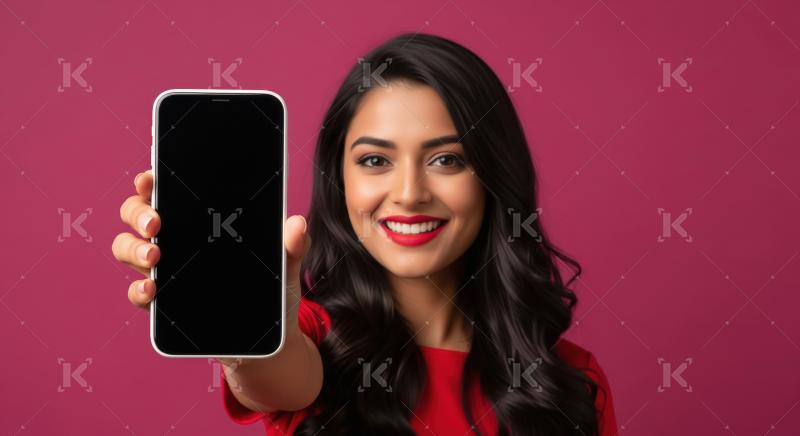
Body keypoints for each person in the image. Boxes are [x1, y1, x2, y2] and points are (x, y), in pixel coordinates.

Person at [112, 32, 618, 435]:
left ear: (493, 176)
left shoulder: (572, 381)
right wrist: (236, 318)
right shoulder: (311, 335)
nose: (409, 194)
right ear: (341, 179)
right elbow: (276, 376)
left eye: (446, 159)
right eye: (375, 160)